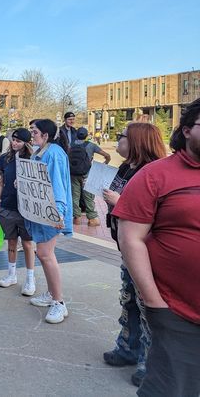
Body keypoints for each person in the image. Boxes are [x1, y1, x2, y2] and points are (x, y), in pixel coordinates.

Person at [113, 98, 200, 397]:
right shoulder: (154, 175)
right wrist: (155, 303)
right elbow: (130, 238)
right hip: (178, 315)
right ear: (187, 130)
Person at [101, 122, 166, 387]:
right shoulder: (126, 168)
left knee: (146, 307)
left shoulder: (153, 173)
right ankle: (127, 347)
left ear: (137, 141)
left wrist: (120, 204)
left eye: (123, 137)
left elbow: (155, 214)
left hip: (148, 254)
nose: (118, 140)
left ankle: (149, 361)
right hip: (126, 250)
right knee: (129, 301)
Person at [27, 119, 73, 324]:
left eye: (35, 132)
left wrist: (59, 213)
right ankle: (51, 293)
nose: (32, 135)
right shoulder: (41, 152)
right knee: (44, 254)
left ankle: (59, 302)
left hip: (50, 211)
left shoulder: (53, 153)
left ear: (45, 135)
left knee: (45, 254)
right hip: (42, 211)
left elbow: (57, 184)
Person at [0, 128, 36, 296]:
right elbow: (0, 181)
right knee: (11, 242)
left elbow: (38, 183)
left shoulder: (33, 159)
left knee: (27, 244)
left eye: (18, 141)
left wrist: (25, 183)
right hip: (8, 206)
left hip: (26, 209)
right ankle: (11, 275)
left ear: (26, 143)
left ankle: (30, 278)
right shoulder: (5, 159)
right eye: (13, 139)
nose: (14, 143)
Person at [69, 127, 111, 227]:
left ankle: (77, 218)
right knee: (88, 196)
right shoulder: (91, 145)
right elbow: (107, 155)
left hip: (73, 173)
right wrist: (105, 162)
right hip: (87, 173)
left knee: (75, 196)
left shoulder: (71, 145)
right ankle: (92, 218)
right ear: (86, 135)